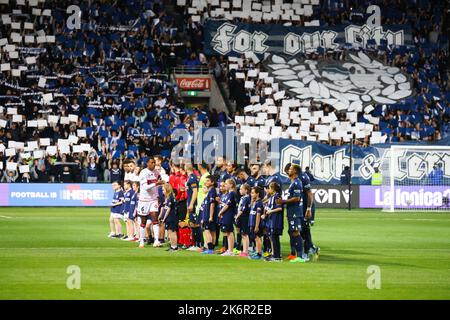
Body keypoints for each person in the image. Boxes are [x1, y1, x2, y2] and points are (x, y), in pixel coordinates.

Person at [277, 164, 307, 263]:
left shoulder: (297, 183)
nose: (288, 171)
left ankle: (300, 256)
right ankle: (293, 254)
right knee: (291, 232)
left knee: (295, 231)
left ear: (295, 171)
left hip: (295, 211)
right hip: (291, 211)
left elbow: (297, 198)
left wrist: (283, 201)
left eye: (290, 169)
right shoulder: (293, 182)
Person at [137, 157, 164, 248]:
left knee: (155, 219)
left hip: (153, 199)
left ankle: (156, 241)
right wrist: (156, 184)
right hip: (144, 200)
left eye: (154, 162)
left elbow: (160, 181)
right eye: (152, 162)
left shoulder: (157, 173)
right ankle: (142, 240)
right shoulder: (143, 173)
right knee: (143, 221)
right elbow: (145, 187)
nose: (153, 164)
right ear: (147, 163)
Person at [217, 179, 237, 256]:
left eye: (226, 184)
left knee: (230, 232)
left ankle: (231, 250)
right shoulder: (229, 194)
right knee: (227, 232)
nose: (225, 185)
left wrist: (220, 212)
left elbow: (227, 205)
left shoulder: (232, 193)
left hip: (229, 215)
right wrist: (220, 202)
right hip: (226, 215)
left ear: (231, 185)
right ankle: (229, 249)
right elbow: (225, 204)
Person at [264, 182, 283, 262]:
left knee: (275, 238)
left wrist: (270, 211)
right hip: (271, 220)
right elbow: (269, 207)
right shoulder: (272, 197)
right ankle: (274, 254)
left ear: (272, 189)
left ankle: (277, 256)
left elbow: (280, 208)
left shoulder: (277, 196)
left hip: (276, 220)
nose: (268, 190)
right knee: (272, 237)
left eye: (269, 188)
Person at [185, 163, 202, 251]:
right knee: (192, 223)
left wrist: (191, 204)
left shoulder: (192, 178)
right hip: (190, 202)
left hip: (193, 203)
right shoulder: (191, 177)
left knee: (195, 223)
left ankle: (198, 244)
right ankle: (195, 244)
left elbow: (195, 191)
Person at [199, 175, 217, 254]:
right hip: (207, 214)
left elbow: (212, 204)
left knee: (207, 231)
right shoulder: (210, 191)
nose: (206, 182)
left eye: (208, 181)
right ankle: (211, 248)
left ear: (212, 182)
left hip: (209, 215)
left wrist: (210, 216)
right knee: (212, 231)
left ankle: (210, 248)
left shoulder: (212, 191)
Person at [159, 183, 178, 252]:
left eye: (163, 190)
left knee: (172, 232)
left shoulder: (170, 197)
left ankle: (174, 247)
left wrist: (164, 218)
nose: (162, 191)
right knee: (170, 232)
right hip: (169, 217)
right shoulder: (167, 198)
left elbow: (168, 209)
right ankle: (172, 246)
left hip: (171, 217)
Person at [235, 183, 251, 257]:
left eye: (241, 189)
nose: (239, 190)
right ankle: (244, 251)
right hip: (242, 218)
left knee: (245, 234)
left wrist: (236, 216)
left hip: (245, 218)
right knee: (243, 234)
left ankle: (245, 251)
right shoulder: (243, 198)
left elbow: (242, 210)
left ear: (246, 190)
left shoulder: (247, 198)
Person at [249, 186, 264, 260]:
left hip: (256, 224)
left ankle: (259, 254)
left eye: (252, 193)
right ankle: (257, 251)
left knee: (257, 238)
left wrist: (256, 226)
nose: (251, 194)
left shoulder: (259, 203)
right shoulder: (255, 202)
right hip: (252, 223)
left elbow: (258, 215)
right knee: (255, 238)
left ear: (257, 194)